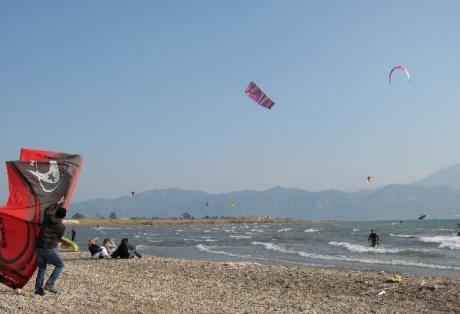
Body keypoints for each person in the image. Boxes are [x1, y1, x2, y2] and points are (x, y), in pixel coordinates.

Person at [35, 199, 67, 296]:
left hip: (39, 246)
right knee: (60, 265)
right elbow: (59, 238)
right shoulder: (61, 226)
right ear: (64, 216)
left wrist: (58, 202)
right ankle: (49, 284)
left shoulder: (48, 217)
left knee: (42, 267)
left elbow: (48, 209)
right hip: (48, 248)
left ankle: (38, 289)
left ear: (56, 212)